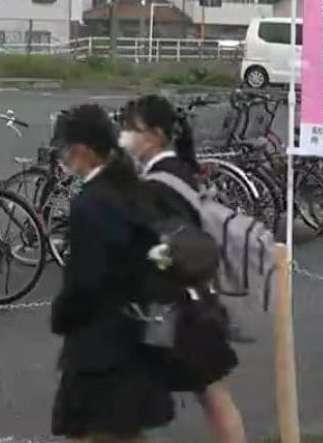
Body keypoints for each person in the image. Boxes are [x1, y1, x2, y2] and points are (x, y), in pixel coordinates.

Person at [120, 94, 247, 443]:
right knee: (214, 396)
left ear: (156, 135)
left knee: (123, 404)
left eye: (132, 129)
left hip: (168, 312)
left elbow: (159, 246)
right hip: (197, 302)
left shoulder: (156, 184)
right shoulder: (181, 171)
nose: (125, 135)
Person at [49, 103, 175, 443]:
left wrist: (61, 315)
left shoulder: (90, 203)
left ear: (82, 151)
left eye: (65, 150)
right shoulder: (131, 187)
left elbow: (84, 280)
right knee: (120, 431)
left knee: (89, 430)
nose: (64, 158)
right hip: (136, 332)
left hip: (99, 344)